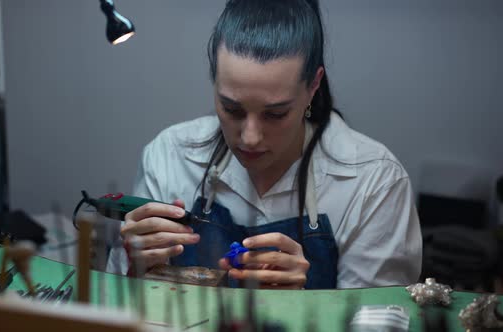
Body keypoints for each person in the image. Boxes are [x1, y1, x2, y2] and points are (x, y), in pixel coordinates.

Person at [108, 0, 422, 289]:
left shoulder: (374, 182)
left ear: (313, 86)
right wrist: (135, 266)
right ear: (214, 80)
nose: (250, 137)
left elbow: (377, 321)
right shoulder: (169, 157)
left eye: (275, 114)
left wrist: (302, 305)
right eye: (232, 109)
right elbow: (117, 305)